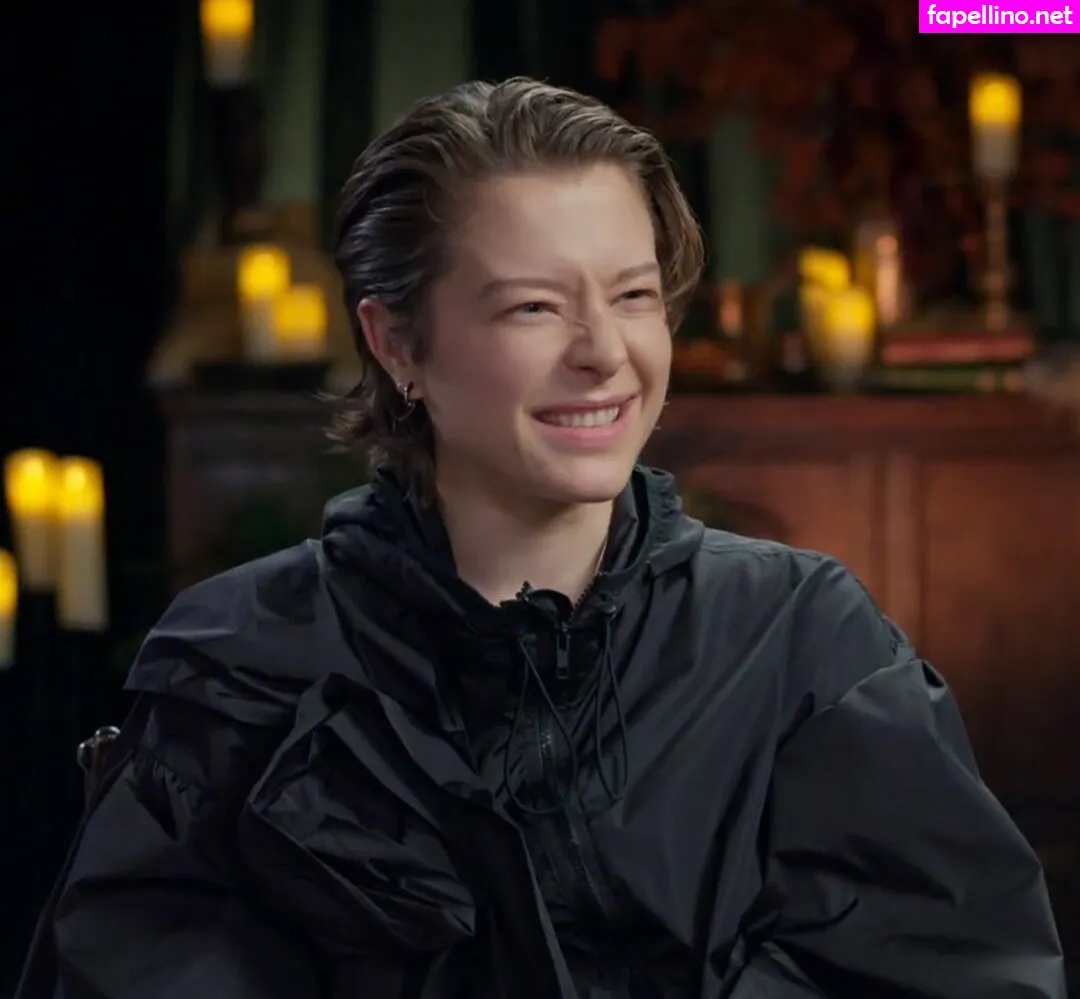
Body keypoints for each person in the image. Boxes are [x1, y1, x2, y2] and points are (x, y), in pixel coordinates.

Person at [17, 78, 1065, 999]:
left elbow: (954, 968)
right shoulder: (239, 669)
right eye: (532, 307)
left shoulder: (805, 645)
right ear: (397, 343)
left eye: (634, 296)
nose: (604, 352)